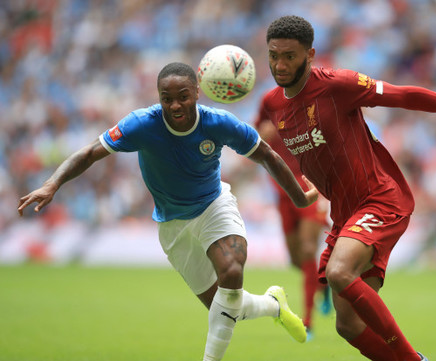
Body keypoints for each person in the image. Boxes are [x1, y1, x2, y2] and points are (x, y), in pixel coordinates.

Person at [17, 62, 318, 361]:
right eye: (166, 98)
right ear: (158, 96)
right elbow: (89, 153)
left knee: (232, 270)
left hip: (214, 206)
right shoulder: (142, 124)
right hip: (173, 225)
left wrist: (300, 198)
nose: (175, 104)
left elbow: (267, 154)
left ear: (197, 92)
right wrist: (52, 183)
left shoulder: (219, 123)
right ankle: (274, 305)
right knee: (228, 308)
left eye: (183, 96)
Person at [260, 15, 436, 361]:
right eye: (273, 55)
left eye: (289, 55)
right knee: (347, 325)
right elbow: (314, 153)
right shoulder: (273, 104)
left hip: (380, 200)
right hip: (345, 214)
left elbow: (405, 95)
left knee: (338, 272)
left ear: (310, 54)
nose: (279, 64)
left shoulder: (338, 85)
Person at [254, 112, 332, 337]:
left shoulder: (311, 113)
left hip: (310, 187)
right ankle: (324, 285)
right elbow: (251, 148)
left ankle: (308, 323)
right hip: (283, 195)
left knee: (308, 250)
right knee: (297, 260)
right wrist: (262, 137)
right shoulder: (268, 112)